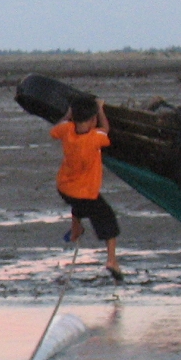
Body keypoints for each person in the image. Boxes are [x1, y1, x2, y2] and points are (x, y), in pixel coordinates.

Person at [51, 95, 123, 281]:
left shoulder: (66, 129)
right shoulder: (95, 138)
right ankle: (112, 260)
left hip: (64, 188)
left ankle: (76, 230)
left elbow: (55, 130)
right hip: (86, 193)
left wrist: (68, 114)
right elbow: (106, 130)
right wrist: (100, 109)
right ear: (92, 120)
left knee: (78, 205)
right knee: (108, 220)